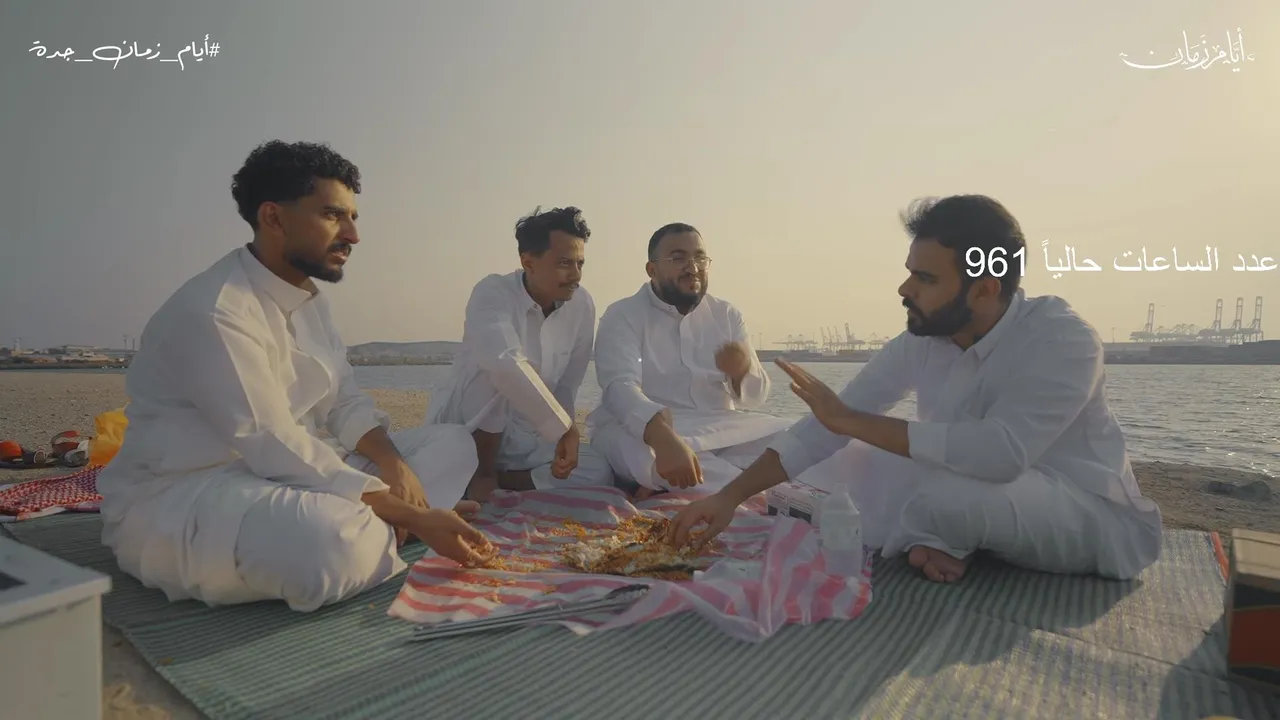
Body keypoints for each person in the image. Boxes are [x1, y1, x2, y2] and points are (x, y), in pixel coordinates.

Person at [669, 195, 1163, 583]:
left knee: (945, 497)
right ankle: (940, 538)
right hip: (964, 478)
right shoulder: (925, 338)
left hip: (1085, 512)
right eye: (910, 273)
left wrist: (849, 420)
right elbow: (826, 426)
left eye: (924, 278)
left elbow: (1001, 454)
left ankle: (941, 536)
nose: (905, 290)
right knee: (845, 462)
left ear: (984, 288)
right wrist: (729, 498)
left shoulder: (1063, 339)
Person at [98, 140, 492, 613]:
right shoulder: (215, 309)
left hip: (297, 473)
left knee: (452, 442)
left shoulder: (310, 302)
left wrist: (396, 468)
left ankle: (393, 524)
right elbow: (269, 440)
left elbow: (344, 403)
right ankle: (401, 526)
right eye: (333, 215)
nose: (353, 235)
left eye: (353, 217)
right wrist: (413, 512)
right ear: (274, 217)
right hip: (197, 494)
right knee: (332, 544)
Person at [587, 223, 793, 498]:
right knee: (645, 455)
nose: (693, 267)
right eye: (678, 258)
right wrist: (662, 437)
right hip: (643, 431)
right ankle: (768, 496)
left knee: (798, 436)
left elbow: (755, 398)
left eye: (699, 257)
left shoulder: (726, 315)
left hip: (722, 427)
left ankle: (721, 486)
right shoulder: (622, 315)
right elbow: (620, 388)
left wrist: (741, 372)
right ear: (652, 270)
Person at [422, 206, 613, 502]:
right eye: (564, 263)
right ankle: (482, 473)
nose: (576, 275)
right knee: (495, 367)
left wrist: (565, 436)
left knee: (599, 470)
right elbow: (502, 362)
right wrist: (562, 428)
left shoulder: (582, 304)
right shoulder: (492, 292)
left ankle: (506, 480)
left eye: (580, 263)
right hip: (470, 431)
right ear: (528, 262)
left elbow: (566, 385)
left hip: (528, 434)